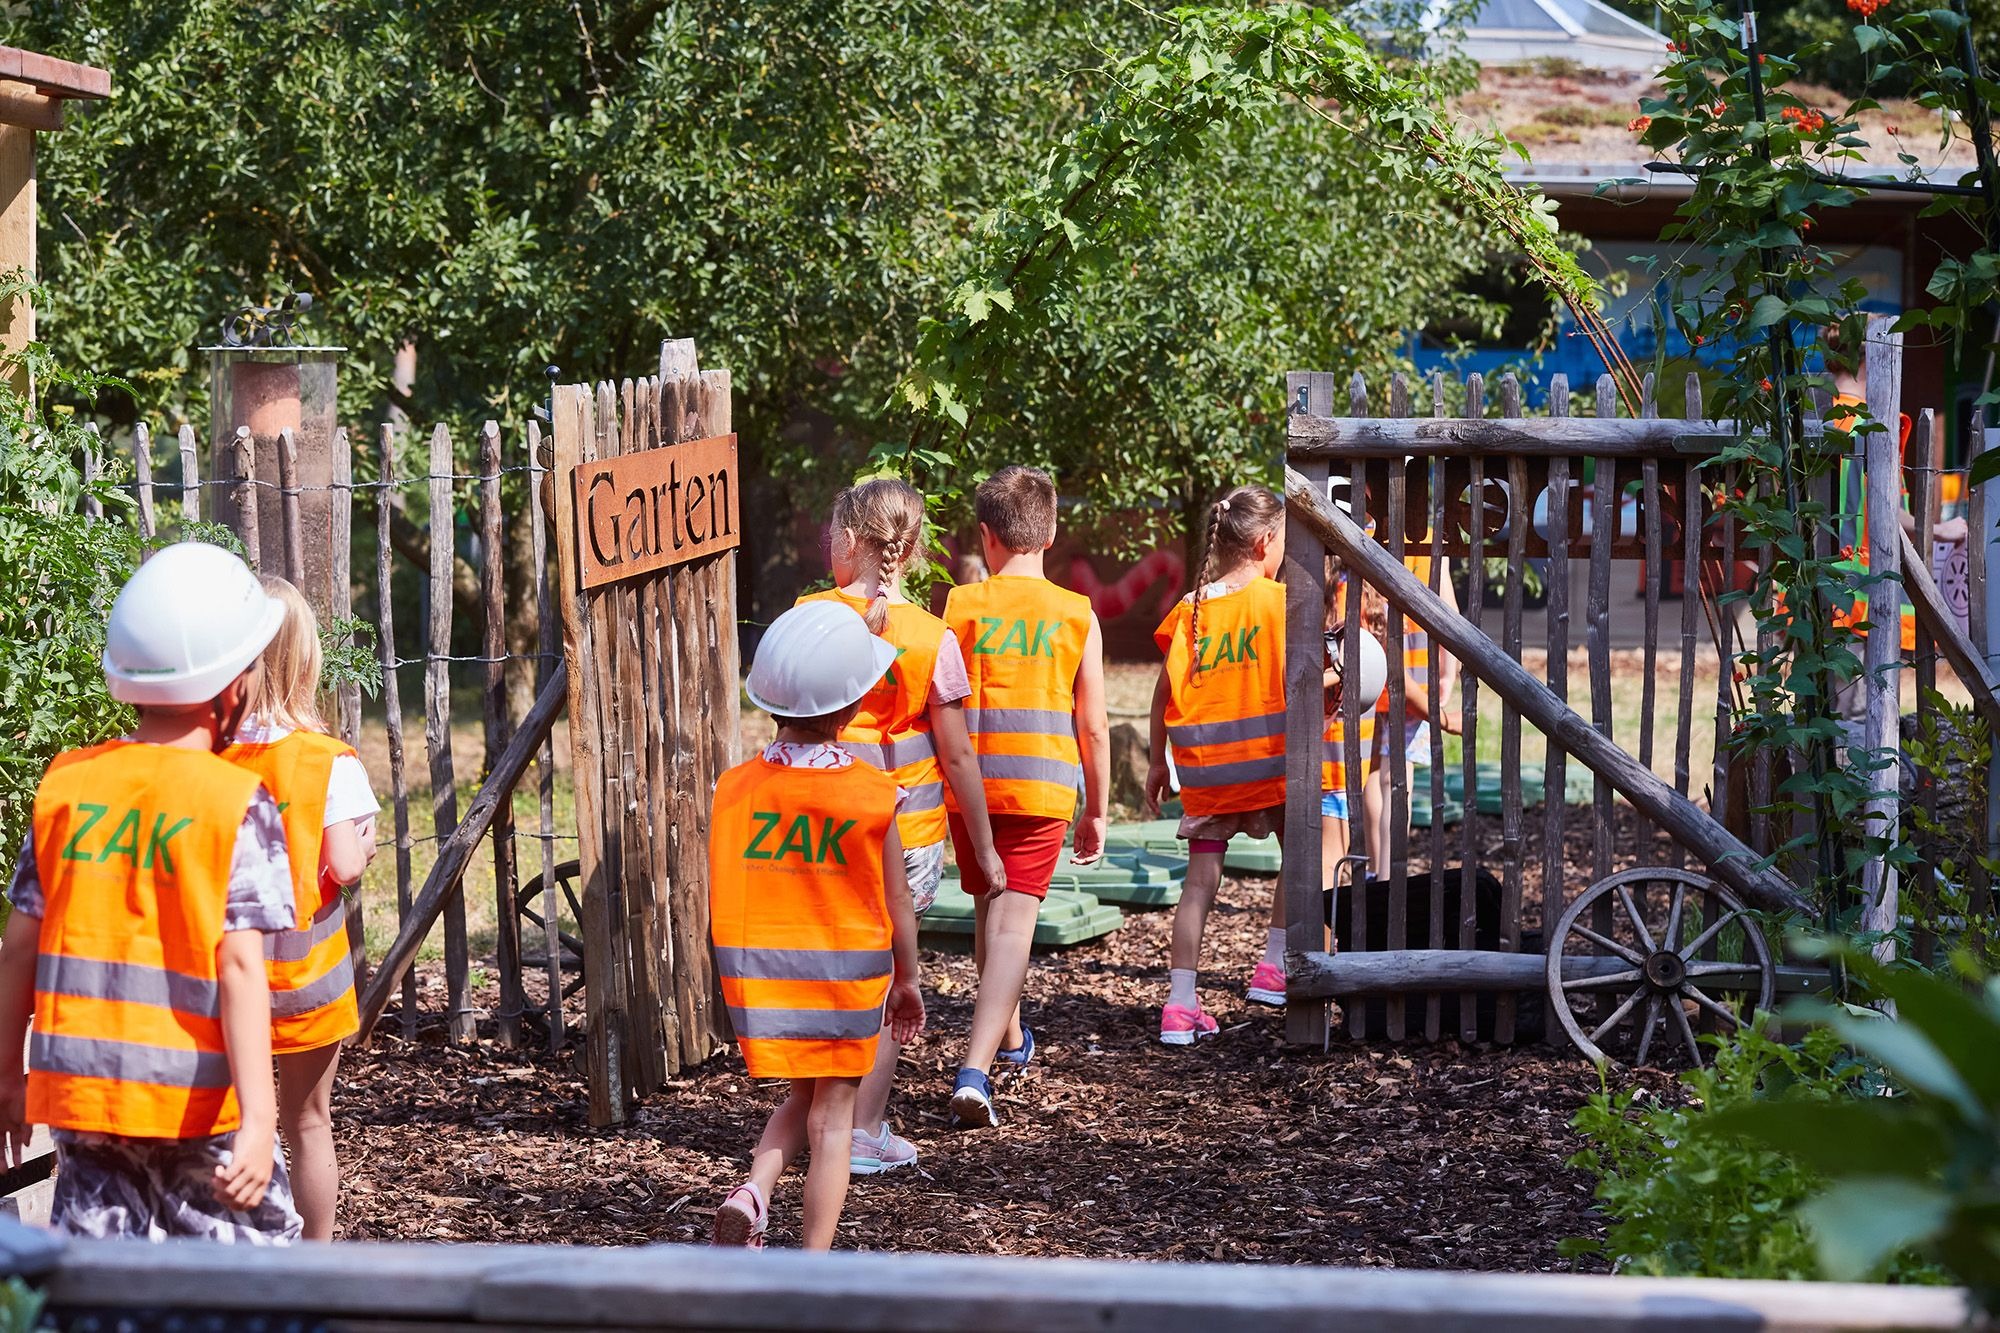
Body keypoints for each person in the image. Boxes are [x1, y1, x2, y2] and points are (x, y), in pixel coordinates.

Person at [0, 542, 301, 1242]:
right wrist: (260, 1121)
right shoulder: (235, 802)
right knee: (250, 1289)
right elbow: (239, 966)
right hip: (195, 1109)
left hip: (85, 1100)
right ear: (236, 685)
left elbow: (18, 949)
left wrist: (7, 1076)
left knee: (100, 1288)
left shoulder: (67, 788)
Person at [799, 478, 1006, 1175]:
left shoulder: (810, 616)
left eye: (833, 533)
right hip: (906, 838)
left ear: (851, 541)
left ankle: (819, 1111)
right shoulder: (931, 637)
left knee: (832, 968)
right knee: (890, 976)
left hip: (819, 828)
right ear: (912, 549)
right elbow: (957, 753)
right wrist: (981, 843)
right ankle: (863, 1126)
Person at [708, 601, 924, 1250]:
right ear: (853, 705)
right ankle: (812, 1268)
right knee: (834, 1121)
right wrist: (908, 978)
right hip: (846, 985)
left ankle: (753, 1190)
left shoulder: (735, 787)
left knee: (800, 1103)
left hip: (767, 987)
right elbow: (899, 898)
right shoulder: (871, 790)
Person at [943, 465, 1109, 1131]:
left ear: (986, 537)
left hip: (972, 794)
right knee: (1013, 927)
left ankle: (1010, 1039)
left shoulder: (959, 607)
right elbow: (1093, 724)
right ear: (1052, 531)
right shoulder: (1076, 613)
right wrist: (1095, 806)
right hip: (1040, 791)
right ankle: (976, 1069)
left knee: (990, 913)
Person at [223, 577, 379, 1241]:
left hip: (232, 977)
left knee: (234, 1119)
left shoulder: (215, 755)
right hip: (308, 977)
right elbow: (343, 864)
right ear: (307, 659)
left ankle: (237, 1246)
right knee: (307, 1121)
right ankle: (315, 1259)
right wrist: (367, 838)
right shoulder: (326, 760)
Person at [1144, 485, 1288, 1045]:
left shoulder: (1191, 608)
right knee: (1300, 859)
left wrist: (1158, 762)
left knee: (1199, 885)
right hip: (1270, 765)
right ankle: (1273, 967)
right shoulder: (1280, 603)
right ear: (1264, 542)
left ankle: (1180, 1004)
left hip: (1207, 772)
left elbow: (1163, 693)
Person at [1362, 555, 1460, 881]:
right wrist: (1448, 675)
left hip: (1370, 672)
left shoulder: (1367, 535)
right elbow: (1450, 615)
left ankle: (1376, 868)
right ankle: (1390, 876)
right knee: (1396, 777)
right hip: (1415, 679)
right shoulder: (1430, 544)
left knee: (1372, 773)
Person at [1322, 560, 1387, 911]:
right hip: (1329, 759)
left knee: (1332, 861)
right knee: (1327, 867)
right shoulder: (1337, 597)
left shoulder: (1348, 597)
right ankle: (1318, 949)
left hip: (1348, 753)